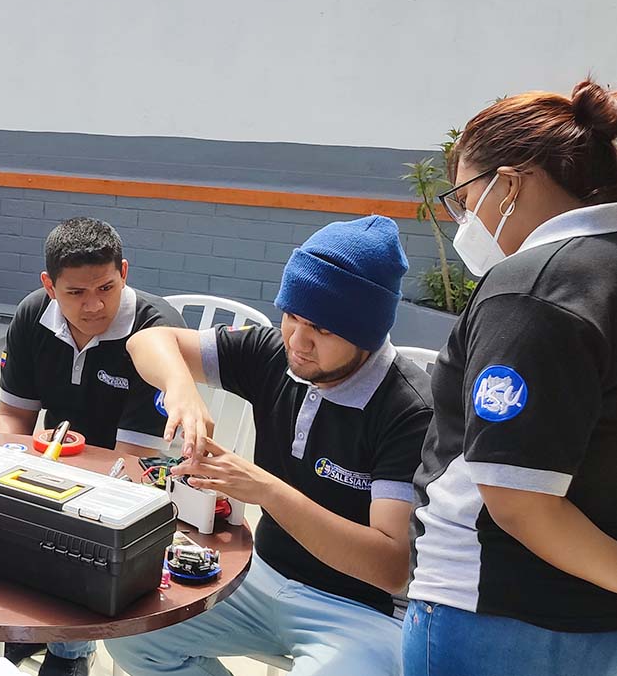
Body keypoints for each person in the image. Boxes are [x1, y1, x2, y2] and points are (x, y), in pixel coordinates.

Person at [107, 215, 431, 676]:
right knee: (134, 636)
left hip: (360, 611)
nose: (298, 342)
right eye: (292, 316)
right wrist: (181, 387)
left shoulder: (408, 409)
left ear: (367, 333)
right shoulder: (274, 356)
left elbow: (390, 567)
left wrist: (265, 489)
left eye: (322, 329)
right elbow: (148, 340)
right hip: (258, 578)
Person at [406, 80, 617, 676]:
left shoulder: (534, 286)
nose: (462, 221)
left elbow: (519, 501)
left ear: (511, 182)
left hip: (498, 610)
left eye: (464, 197)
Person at [0, 217, 184, 676]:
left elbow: (135, 463)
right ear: (49, 285)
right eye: (75, 293)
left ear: (125, 272)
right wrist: (5, 472)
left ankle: (70, 650)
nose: (94, 305)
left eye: (106, 287)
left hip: (137, 485)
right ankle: (37, 625)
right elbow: (11, 419)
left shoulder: (155, 331)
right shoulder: (32, 314)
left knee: (84, 537)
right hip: (56, 465)